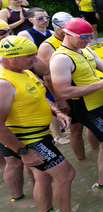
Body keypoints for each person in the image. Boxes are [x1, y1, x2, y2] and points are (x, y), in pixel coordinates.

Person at [0, 36, 92, 212]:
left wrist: (57, 112)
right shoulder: (4, 84)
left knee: (42, 176)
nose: (35, 60)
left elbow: (39, 95)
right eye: (29, 56)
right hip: (30, 139)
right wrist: (24, 152)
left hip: (41, 134)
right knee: (66, 174)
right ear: (11, 58)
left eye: (35, 54)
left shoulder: (24, 71)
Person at [50, 18, 103, 195]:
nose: (88, 40)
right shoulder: (61, 59)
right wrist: (101, 84)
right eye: (84, 37)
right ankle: (101, 188)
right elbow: (63, 92)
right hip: (89, 110)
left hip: (102, 105)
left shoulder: (85, 49)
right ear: (68, 34)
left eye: (89, 36)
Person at [37, 12, 76, 146]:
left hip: (78, 89)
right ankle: (59, 136)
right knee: (75, 129)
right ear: (57, 28)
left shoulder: (73, 38)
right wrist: (59, 99)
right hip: (63, 92)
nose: (69, 30)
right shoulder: (47, 46)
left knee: (87, 126)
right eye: (66, 28)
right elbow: (47, 76)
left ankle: (94, 151)